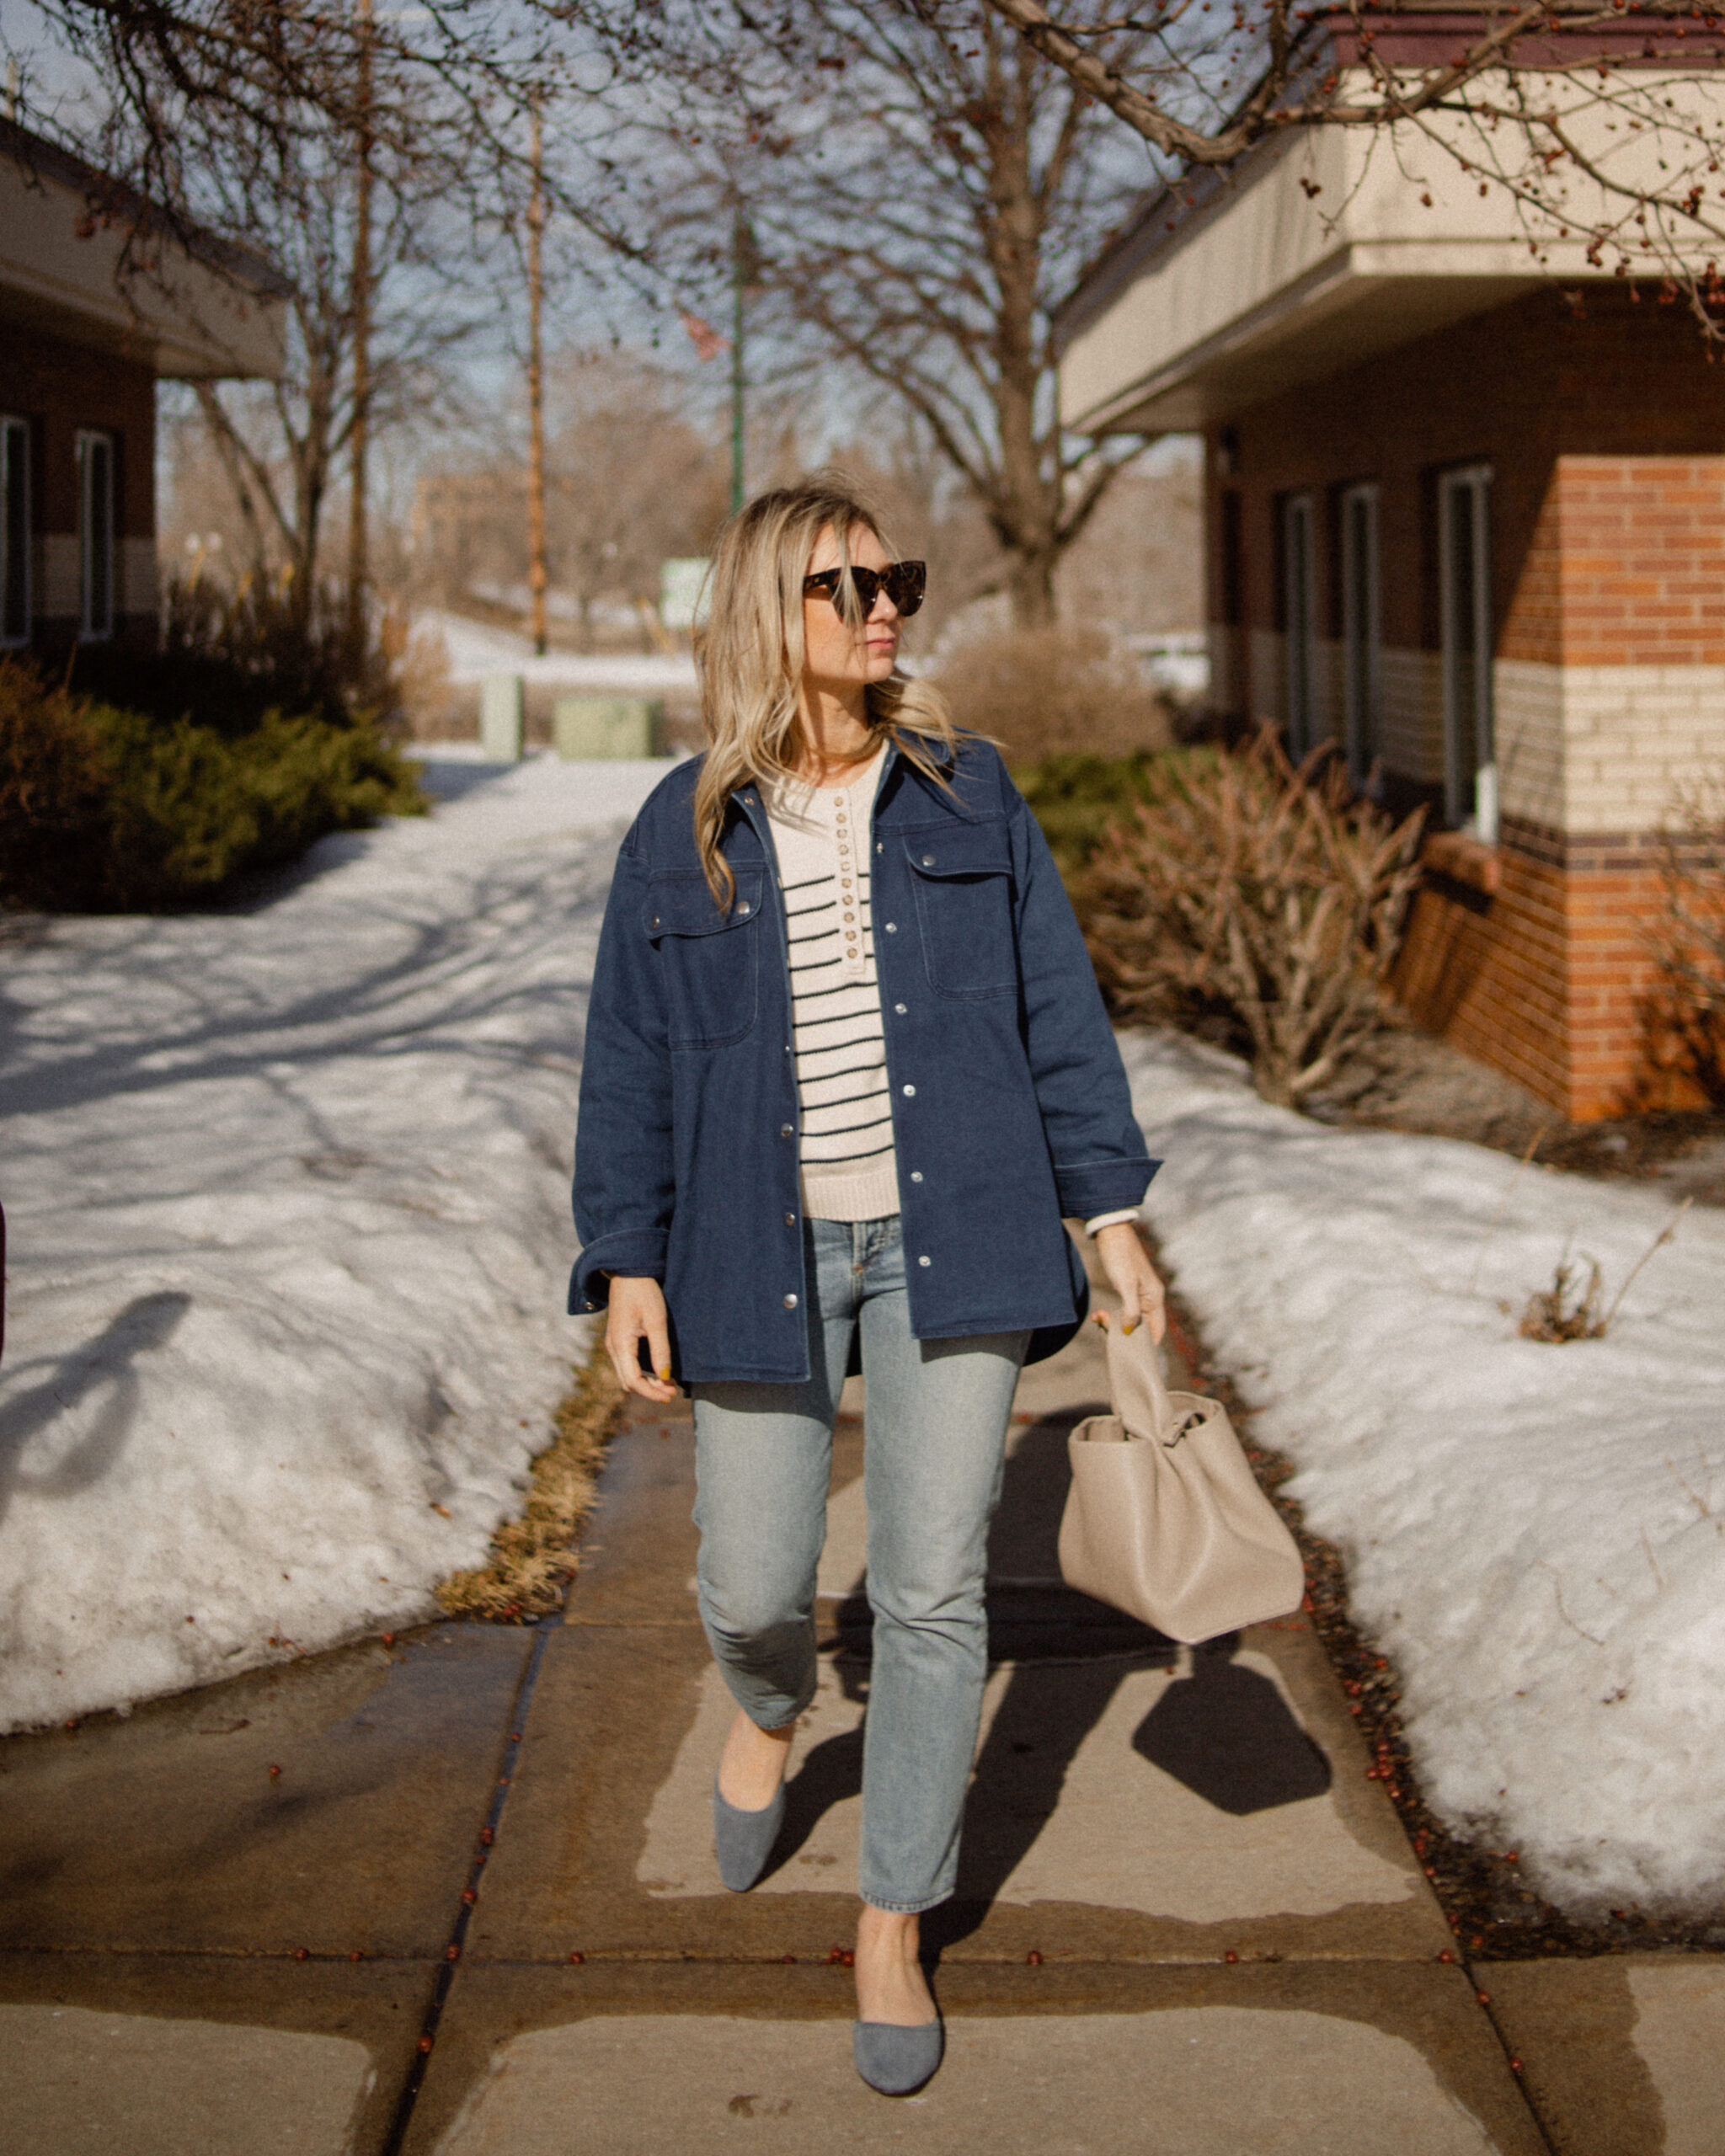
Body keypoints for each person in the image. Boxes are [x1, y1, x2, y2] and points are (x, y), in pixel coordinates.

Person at [571, 475, 1164, 2097]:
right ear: (772, 612)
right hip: (751, 1252)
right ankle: (763, 1712)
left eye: (892, 578)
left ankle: (894, 1916)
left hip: (955, 1233)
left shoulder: (972, 794)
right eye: (845, 586)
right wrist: (627, 1257)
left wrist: (1107, 1215)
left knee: (931, 1591)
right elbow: (627, 1060)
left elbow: (1061, 1011)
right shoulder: (685, 821)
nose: (884, 604)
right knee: (757, 1579)